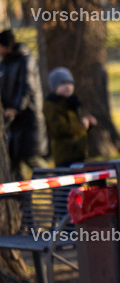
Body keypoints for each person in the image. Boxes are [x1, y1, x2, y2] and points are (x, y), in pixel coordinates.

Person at [0, 29, 46, 179]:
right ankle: (21, 201)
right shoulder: (5, 64)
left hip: (28, 118)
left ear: (6, 45)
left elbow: (27, 87)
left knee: (32, 158)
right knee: (14, 162)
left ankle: (60, 183)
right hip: (12, 121)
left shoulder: (26, 60)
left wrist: (15, 108)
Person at [42, 67, 96, 168]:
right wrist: (82, 125)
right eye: (63, 84)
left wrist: (89, 124)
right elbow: (60, 129)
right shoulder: (51, 104)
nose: (68, 87)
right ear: (55, 87)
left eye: (70, 83)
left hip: (80, 154)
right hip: (65, 156)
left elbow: (77, 129)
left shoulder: (73, 102)